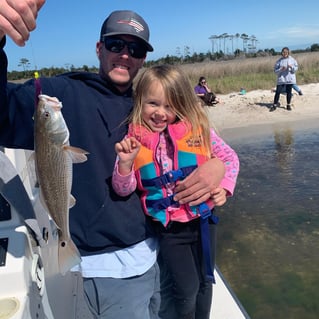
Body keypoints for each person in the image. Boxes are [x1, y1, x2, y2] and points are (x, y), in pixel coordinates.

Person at [0, 2, 228, 318]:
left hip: (150, 259)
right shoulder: (58, 94)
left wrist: (220, 168)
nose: (125, 54)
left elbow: (203, 141)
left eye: (135, 49)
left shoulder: (148, 104)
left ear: (143, 58)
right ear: (99, 48)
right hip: (92, 269)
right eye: (115, 44)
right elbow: (3, 113)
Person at [112, 64, 239, 319]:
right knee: (186, 288)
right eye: (153, 104)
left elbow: (230, 159)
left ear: (181, 104)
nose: (160, 113)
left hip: (204, 222)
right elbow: (123, 189)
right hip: (171, 231)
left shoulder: (199, 130)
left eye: (169, 106)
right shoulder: (133, 140)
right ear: (140, 102)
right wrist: (125, 165)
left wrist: (223, 189)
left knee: (206, 280)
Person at [270, 47, 299, 112]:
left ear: (288, 52)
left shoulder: (292, 60)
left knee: (289, 92)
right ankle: (274, 105)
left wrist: (291, 67)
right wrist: (281, 69)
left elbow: (295, 69)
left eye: (286, 52)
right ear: (281, 53)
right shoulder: (279, 61)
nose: (284, 53)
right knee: (278, 92)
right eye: (283, 52)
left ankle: (288, 105)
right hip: (281, 79)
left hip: (289, 79)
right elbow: (275, 71)